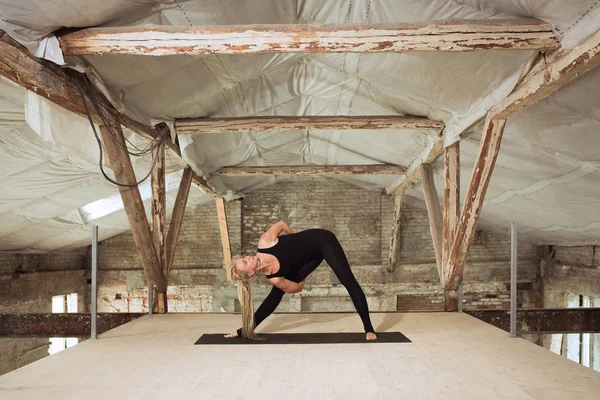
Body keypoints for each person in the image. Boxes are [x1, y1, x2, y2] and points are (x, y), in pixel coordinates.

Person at [225, 221, 377, 341]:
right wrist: (243, 331)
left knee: (347, 280)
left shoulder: (265, 242)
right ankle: (247, 328)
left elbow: (282, 224)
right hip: (311, 259)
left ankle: (368, 328)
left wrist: (294, 239)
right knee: (274, 296)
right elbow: (297, 288)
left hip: (322, 240)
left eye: (244, 258)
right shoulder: (275, 279)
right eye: (245, 262)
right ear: (251, 273)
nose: (247, 257)